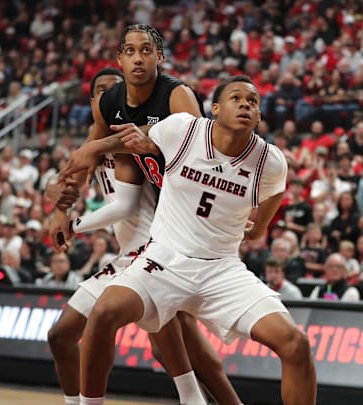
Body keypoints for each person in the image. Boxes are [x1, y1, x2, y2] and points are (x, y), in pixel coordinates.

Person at [59, 76, 316, 404]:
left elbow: (274, 193)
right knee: (104, 312)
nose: (245, 105)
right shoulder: (184, 129)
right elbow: (137, 137)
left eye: (252, 102)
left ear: (259, 117)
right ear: (215, 108)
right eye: (236, 98)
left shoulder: (270, 161)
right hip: (164, 260)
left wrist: (260, 227)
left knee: (296, 344)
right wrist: (96, 146)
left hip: (221, 270)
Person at [47, 30, 240, 405]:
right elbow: (80, 162)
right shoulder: (110, 113)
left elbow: (196, 146)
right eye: (130, 52)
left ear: (158, 57)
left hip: (187, 224)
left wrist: (75, 218)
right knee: (165, 341)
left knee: (175, 338)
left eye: (146, 51)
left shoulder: (176, 95)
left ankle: (193, 399)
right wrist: (59, 210)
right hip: (144, 241)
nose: (138, 59)